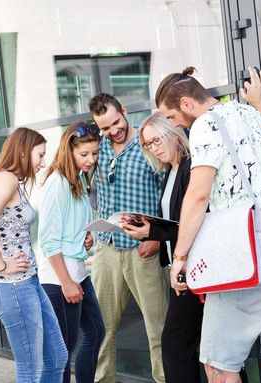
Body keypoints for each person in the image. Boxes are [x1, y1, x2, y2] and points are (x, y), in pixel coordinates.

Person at [155, 66, 261, 383]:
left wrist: (181, 257)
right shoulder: (249, 114)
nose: (174, 125)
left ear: (187, 103)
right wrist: (260, 101)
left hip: (244, 264)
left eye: (172, 117)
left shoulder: (204, 126)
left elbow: (198, 196)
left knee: (217, 366)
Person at [0, 127, 68, 382]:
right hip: (12, 286)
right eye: (40, 155)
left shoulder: (13, 181)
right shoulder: (6, 179)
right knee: (31, 369)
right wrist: (1, 264)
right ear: (24, 152)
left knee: (57, 357)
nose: (43, 162)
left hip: (28, 283)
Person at [88, 93, 168, 383]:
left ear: (123, 111)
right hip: (106, 249)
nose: (112, 131)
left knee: (156, 327)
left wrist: (158, 237)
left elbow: (169, 194)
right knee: (100, 328)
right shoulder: (99, 149)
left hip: (142, 249)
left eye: (115, 122)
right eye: (105, 128)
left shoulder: (148, 144)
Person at [122, 112, 203, 382]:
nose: (154, 148)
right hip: (180, 269)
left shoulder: (191, 167)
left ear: (172, 133)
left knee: (176, 346)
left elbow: (197, 223)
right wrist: (148, 227)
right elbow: (177, 221)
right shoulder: (170, 171)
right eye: (148, 145)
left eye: (157, 140)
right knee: (192, 349)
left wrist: (152, 232)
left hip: (196, 269)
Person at [38, 121, 106, 383]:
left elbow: (69, 229)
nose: (91, 159)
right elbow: (48, 241)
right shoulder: (57, 184)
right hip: (59, 279)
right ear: (69, 151)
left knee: (96, 332)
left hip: (77, 272)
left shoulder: (76, 178)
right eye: (84, 154)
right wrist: (66, 282)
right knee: (62, 352)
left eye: (95, 153)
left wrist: (84, 237)